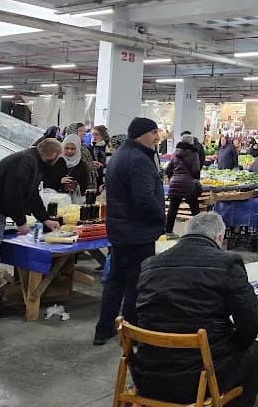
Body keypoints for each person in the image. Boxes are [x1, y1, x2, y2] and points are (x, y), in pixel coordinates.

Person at [131, 212, 258, 407]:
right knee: (257, 350)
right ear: (219, 238)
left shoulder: (149, 265)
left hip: (147, 375)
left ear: (186, 233)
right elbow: (251, 318)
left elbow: (139, 314)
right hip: (199, 379)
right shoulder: (227, 263)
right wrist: (237, 343)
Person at [93, 118, 164, 346]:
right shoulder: (139, 160)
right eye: (154, 132)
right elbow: (144, 198)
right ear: (141, 134)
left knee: (116, 280)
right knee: (136, 283)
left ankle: (104, 329)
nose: (157, 137)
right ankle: (133, 334)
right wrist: (160, 218)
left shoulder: (119, 156)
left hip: (120, 229)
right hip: (137, 232)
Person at [0, 140, 62, 286]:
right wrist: (21, 221)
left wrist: (46, 219)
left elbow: (32, 195)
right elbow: (13, 193)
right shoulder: (27, 161)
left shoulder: (34, 162)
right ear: (54, 154)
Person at [165, 134, 201, 234]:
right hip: (188, 185)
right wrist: (196, 180)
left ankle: (168, 232)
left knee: (172, 211)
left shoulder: (175, 154)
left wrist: (173, 178)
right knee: (195, 210)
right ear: (191, 142)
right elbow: (196, 170)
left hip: (174, 185)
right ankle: (199, 232)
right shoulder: (194, 154)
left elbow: (168, 170)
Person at [65, 122, 98, 191]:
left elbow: (84, 161)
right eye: (80, 131)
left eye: (84, 131)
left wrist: (91, 163)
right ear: (73, 132)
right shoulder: (68, 147)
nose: (84, 133)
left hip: (87, 182)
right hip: (76, 185)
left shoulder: (83, 146)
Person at [89, 125, 110, 190]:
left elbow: (110, 163)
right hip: (92, 178)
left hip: (103, 177)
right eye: (93, 134)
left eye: (96, 134)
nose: (94, 137)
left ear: (102, 136)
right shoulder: (90, 147)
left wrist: (101, 166)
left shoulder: (107, 147)